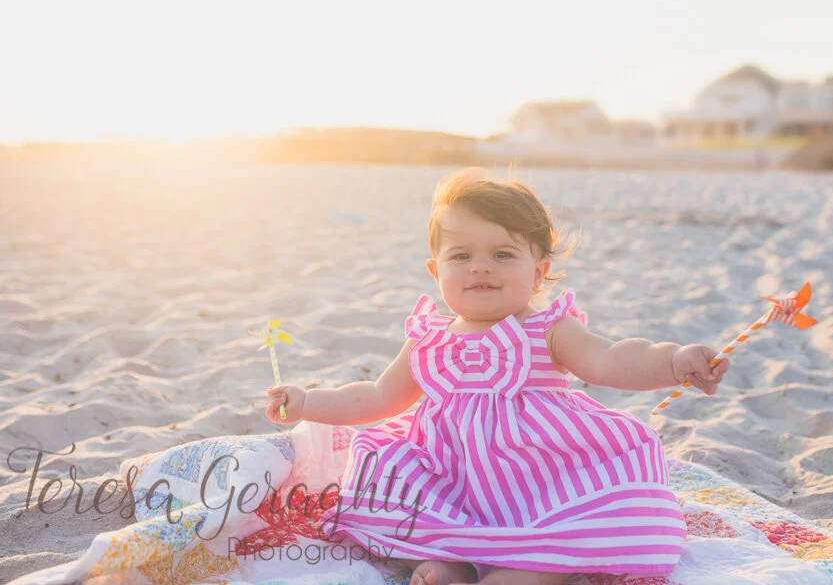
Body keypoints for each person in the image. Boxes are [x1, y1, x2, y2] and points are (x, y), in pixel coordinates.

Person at [265, 167, 729, 585]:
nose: (481, 266)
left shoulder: (548, 329)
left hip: (538, 478)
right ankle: (450, 563)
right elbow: (377, 396)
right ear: (435, 271)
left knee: (594, 515)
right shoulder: (430, 336)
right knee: (378, 476)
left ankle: (531, 569)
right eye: (461, 255)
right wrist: (308, 402)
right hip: (451, 478)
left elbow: (611, 359)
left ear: (538, 272)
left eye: (503, 254)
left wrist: (672, 361)